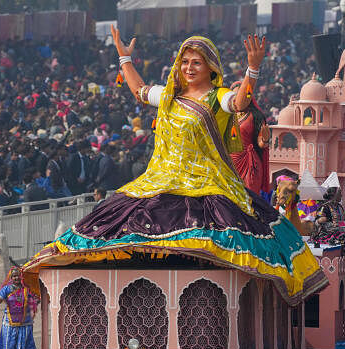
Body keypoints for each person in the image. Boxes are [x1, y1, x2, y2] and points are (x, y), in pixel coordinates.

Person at [21, 28, 327, 307]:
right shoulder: (169, 97)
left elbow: (239, 103)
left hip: (208, 185)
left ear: (211, 68)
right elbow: (139, 90)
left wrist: (253, 69)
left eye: (197, 62)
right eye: (185, 61)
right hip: (159, 181)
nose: (189, 67)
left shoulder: (216, 97)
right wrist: (124, 56)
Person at [0, 267, 40, 349]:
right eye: (14, 276)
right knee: (10, 347)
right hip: (10, 324)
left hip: (25, 323)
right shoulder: (6, 289)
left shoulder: (27, 289)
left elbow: (35, 300)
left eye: (18, 275)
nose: (16, 278)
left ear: (21, 276)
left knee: (26, 347)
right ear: (11, 278)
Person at [229, 81, 270, 197]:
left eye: (241, 95)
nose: (238, 98)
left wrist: (265, 140)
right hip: (230, 163)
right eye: (235, 95)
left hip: (250, 164)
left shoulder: (255, 116)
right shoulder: (226, 116)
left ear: (248, 96)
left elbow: (260, 144)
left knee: (249, 199)